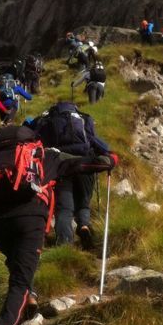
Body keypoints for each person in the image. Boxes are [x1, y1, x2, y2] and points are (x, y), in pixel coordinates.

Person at [0, 124, 117, 325]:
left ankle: (30, 296)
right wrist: (109, 161)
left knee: (17, 262)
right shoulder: (45, 156)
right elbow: (81, 165)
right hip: (30, 219)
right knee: (19, 281)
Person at [31, 100, 112, 249]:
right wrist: (107, 154)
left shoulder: (47, 120)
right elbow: (95, 141)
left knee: (64, 208)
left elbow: (36, 141)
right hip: (85, 164)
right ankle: (84, 226)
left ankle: (64, 245)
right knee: (83, 201)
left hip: (61, 165)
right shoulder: (83, 118)